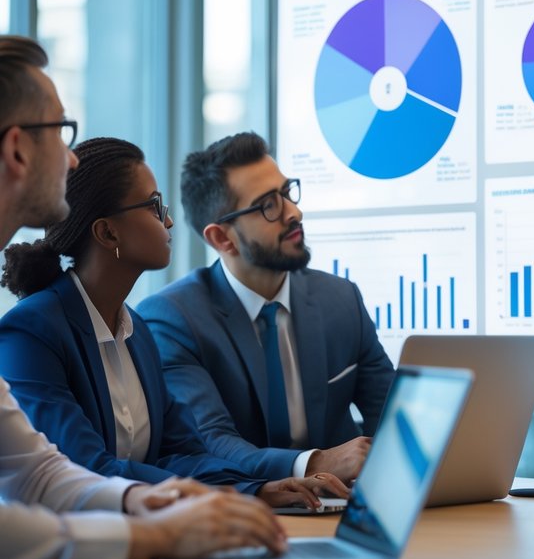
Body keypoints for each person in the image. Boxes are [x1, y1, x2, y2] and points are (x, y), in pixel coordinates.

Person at [0, 35, 288, 559]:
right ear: (16, 149)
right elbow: (65, 476)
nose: (73, 154)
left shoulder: (137, 329)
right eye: (62, 131)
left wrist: (181, 498)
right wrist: (157, 529)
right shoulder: (31, 330)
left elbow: (38, 473)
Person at [0, 137, 349, 511]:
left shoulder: (137, 331)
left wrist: (260, 489)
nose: (167, 220)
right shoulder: (31, 333)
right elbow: (85, 469)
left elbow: (183, 453)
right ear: (107, 233)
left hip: (148, 533)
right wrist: (225, 494)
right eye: (153, 206)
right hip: (75, 551)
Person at [138, 132, 394, 483]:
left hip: (345, 511)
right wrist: (314, 464)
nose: (295, 212)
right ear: (222, 238)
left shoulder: (341, 299)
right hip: (246, 514)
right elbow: (211, 440)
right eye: (268, 206)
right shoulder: (172, 320)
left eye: (288, 193)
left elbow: (392, 418)